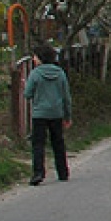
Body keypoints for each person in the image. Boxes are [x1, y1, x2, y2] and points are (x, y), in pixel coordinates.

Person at [24, 44, 72, 185]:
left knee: (38, 144)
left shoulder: (35, 74)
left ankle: (38, 173)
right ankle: (63, 172)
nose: (33, 59)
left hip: (39, 114)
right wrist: (67, 116)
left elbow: (27, 93)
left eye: (35, 56)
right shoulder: (60, 73)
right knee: (58, 142)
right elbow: (66, 97)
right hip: (56, 113)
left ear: (40, 58)